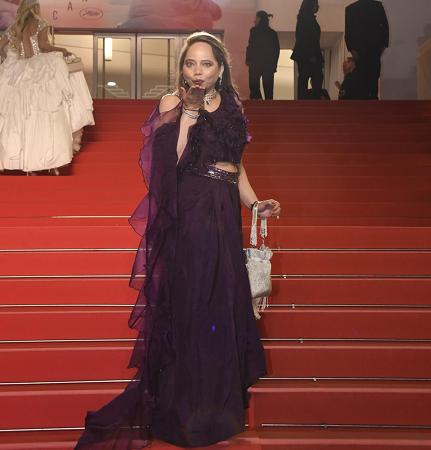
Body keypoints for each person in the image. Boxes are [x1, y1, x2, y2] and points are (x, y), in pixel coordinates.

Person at [74, 31, 281, 450]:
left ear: (220, 69)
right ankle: (186, 411)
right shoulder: (172, 102)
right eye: (191, 63)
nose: (198, 71)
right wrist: (189, 112)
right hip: (191, 211)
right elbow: (171, 162)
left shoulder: (231, 104)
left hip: (224, 211)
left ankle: (218, 404)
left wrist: (255, 203)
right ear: (182, 68)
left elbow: (236, 165)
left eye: (206, 64)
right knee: (194, 302)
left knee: (221, 301)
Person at [0, 0, 94, 175]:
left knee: (19, 119)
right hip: (38, 71)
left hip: (17, 72)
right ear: (35, 8)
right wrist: (62, 49)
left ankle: (25, 164)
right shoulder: (41, 23)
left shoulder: (14, 27)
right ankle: (48, 162)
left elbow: (0, 46)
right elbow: (44, 46)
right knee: (46, 116)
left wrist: (7, 57)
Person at [345, 0, 389, 99]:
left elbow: (348, 33)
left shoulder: (351, 9)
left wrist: (352, 49)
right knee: (369, 76)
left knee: (371, 76)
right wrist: (382, 46)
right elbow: (385, 28)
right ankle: (369, 99)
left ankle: (369, 99)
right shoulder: (377, 6)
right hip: (368, 49)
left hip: (366, 49)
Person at [291, 0, 324, 100]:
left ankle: (306, 100)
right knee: (310, 77)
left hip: (307, 54)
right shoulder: (305, 19)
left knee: (308, 77)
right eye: (315, 4)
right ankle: (309, 100)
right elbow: (303, 39)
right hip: (307, 55)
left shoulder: (305, 18)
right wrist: (311, 55)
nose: (317, 6)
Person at [246, 10, 280, 100]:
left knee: (254, 87)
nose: (254, 20)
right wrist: (274, 64)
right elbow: (276, 50)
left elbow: (251, 46)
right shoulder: (272, 33)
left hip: (255, 63)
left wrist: (248, 59)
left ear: (259, 19)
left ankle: (258, 102)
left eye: (256, 18)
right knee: (268, 90)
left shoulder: (254, 31)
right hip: (268, 65)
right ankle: (268, 106)